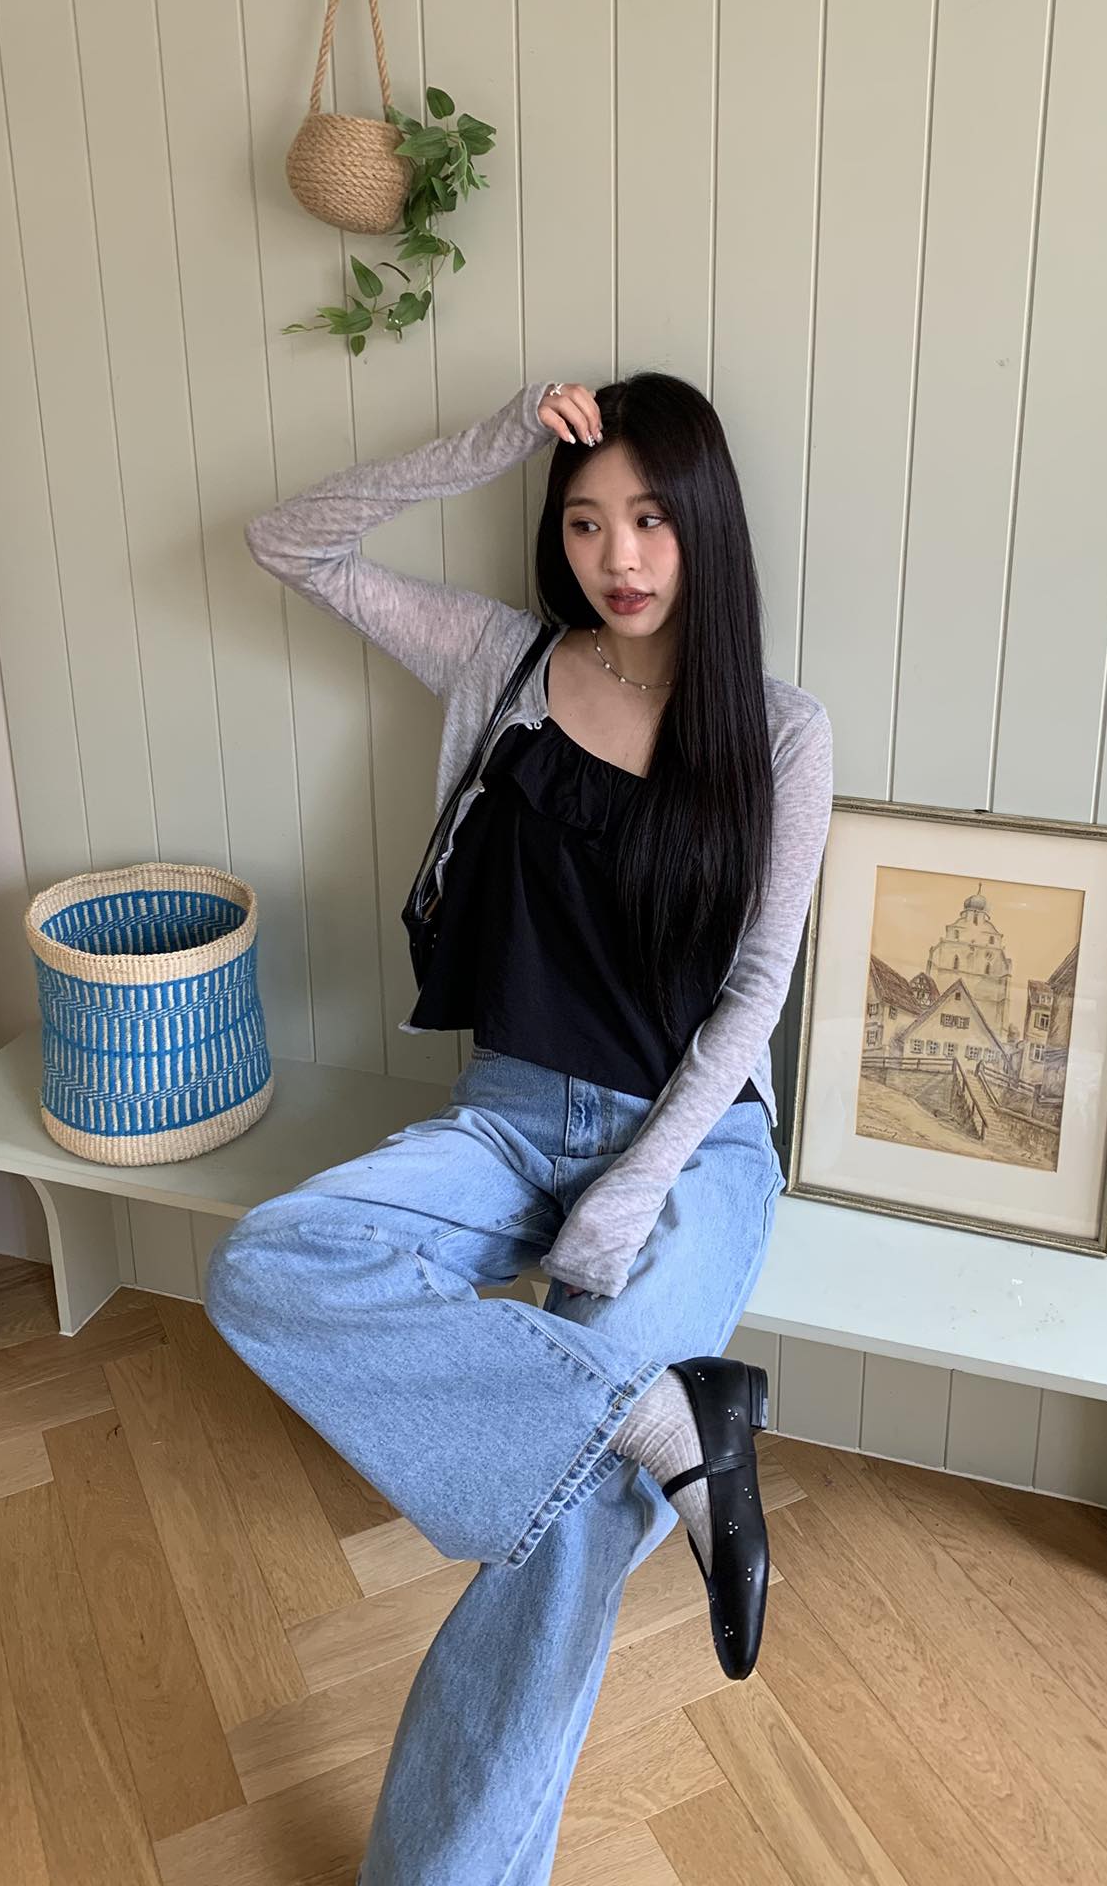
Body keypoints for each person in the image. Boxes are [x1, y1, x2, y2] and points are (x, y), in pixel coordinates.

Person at [203, 374, 834, 1885]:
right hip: (504, 1120)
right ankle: (664, 1420)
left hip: (695, 1150)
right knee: (264, 1263)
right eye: (586, 521)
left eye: (652, 519)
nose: (621, 556)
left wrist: (635, 1185)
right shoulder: (503, 661)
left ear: (706, 527)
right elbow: (291, 542)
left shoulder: (779, 732)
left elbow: (756, 991)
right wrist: (491, 440)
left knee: (570, 1529)